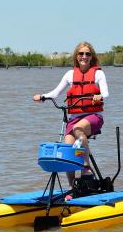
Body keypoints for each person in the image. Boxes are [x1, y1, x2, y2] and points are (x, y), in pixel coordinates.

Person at [33, 41, 109, 188]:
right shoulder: (70, 74)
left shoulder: (98, 73)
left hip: (93, 117)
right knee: (67, 150)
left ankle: (86, 168)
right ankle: (72, 188)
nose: (84, 56)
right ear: (76, 56)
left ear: (91, 56)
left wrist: (100, 96)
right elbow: (55, 93)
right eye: (81, 54)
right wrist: (42, 96)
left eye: (87, 54)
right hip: (74, 118)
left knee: (78, 130)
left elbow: (106, 93)